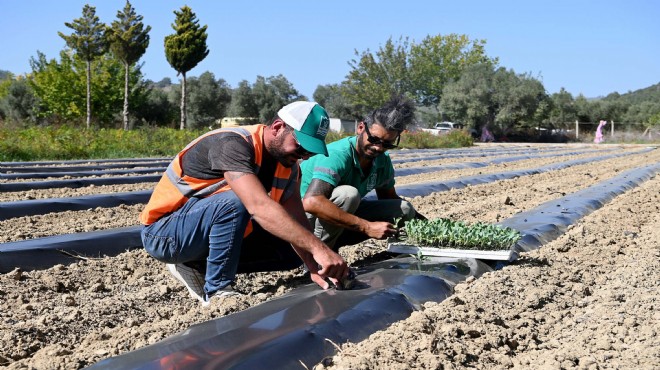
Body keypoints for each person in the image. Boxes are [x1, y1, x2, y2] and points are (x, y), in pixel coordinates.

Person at [139, 101, 349, 306]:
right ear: (277, 128)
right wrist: (319, 248)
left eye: (309, 152)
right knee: (236, 201)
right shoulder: (233, 144)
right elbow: (259, 206)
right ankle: (219, 290)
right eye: (301, 146)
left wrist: (315, 264)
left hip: (201, 232)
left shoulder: (288, 166)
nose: (303, 155)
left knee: (292, 250)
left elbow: (296, 218)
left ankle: (195, 265)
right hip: (165, 234)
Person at [300, 95, 426, 251]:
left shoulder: (382, 160)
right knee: (348, 194)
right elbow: (311, 202)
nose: (378, 148)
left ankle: (339, 242)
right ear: (361, 128)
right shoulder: (337, 155)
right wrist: (367, 227)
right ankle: (320, 258)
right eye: (374, 139)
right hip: (302, 218)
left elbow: (388, 198)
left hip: (335, 217)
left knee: (405, 209)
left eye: (387, 144)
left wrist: (428, 225)